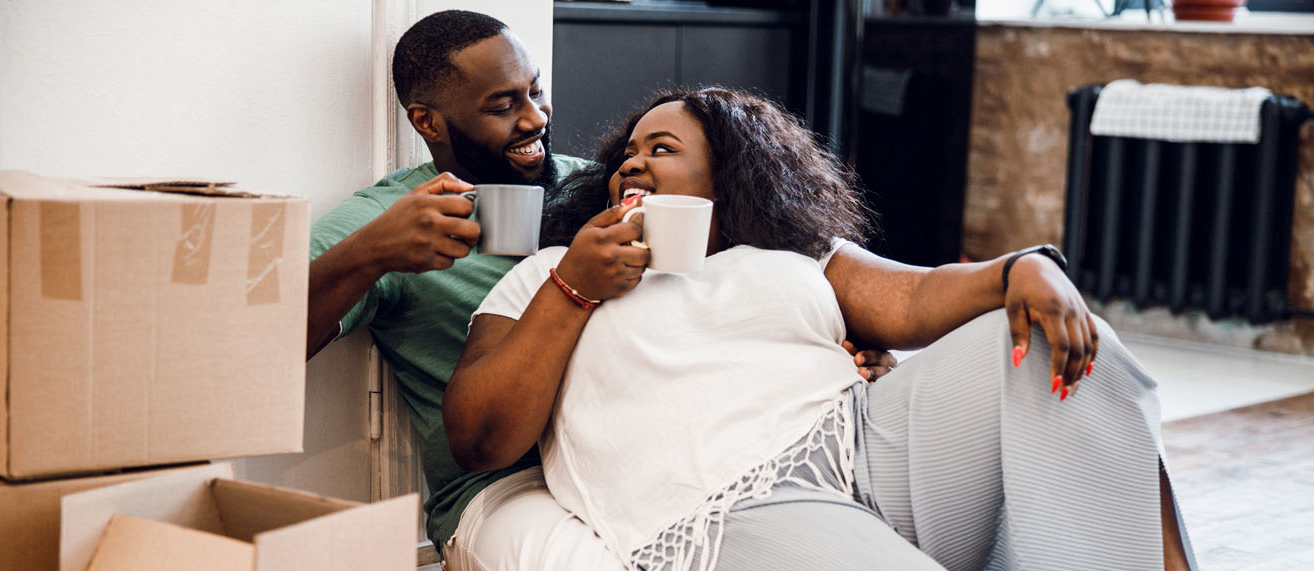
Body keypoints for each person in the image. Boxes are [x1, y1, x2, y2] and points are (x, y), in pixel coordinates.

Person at [446, 87, 1197, 570]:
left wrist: (1023, 269)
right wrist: (574, 287)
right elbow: (481, 435)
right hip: (729, 506)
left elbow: (914, 301)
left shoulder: (790, 254)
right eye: (627, 155)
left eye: (661, 150)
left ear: (727, 176)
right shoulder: (547, 272)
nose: (632, 164)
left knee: (1047, 338)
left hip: (867, 442)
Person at [305, 11, 896, 570]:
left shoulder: (600, 183)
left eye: (536, 90)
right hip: (508, 479)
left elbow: (735, 278)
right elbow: (261, 349)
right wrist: (371, 251)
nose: (535, 118)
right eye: (503, 105)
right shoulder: (385, 219)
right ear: (427, 121)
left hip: (649, 445)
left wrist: (835, 343)